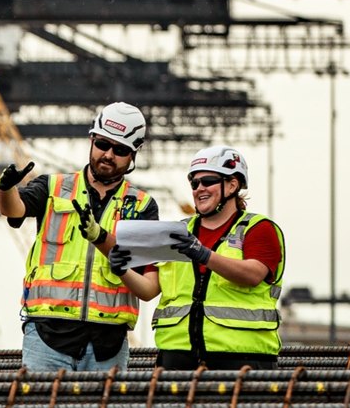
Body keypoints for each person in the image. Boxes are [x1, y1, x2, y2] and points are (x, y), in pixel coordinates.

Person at [0, 102, 158, 372]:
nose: (108, 154)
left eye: (120, 150)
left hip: (108, 343)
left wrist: (103, 240)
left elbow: (148, 286)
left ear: (132, 156)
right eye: (103, 144)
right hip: (48, 336)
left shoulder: (142, 206)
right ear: (92, 140)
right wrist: (5, 189)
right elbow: (13, 209)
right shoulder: (52, 187)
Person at [108, 146, 286, 370]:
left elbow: (252, 274)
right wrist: (123, 270)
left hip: (242, 359)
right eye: (194, 183)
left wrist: (204, 255)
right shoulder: (176, 232)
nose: (199, 188)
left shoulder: (258, 229)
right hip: (178, 359)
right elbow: (148, 290)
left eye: (208, 181)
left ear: (232, 185)